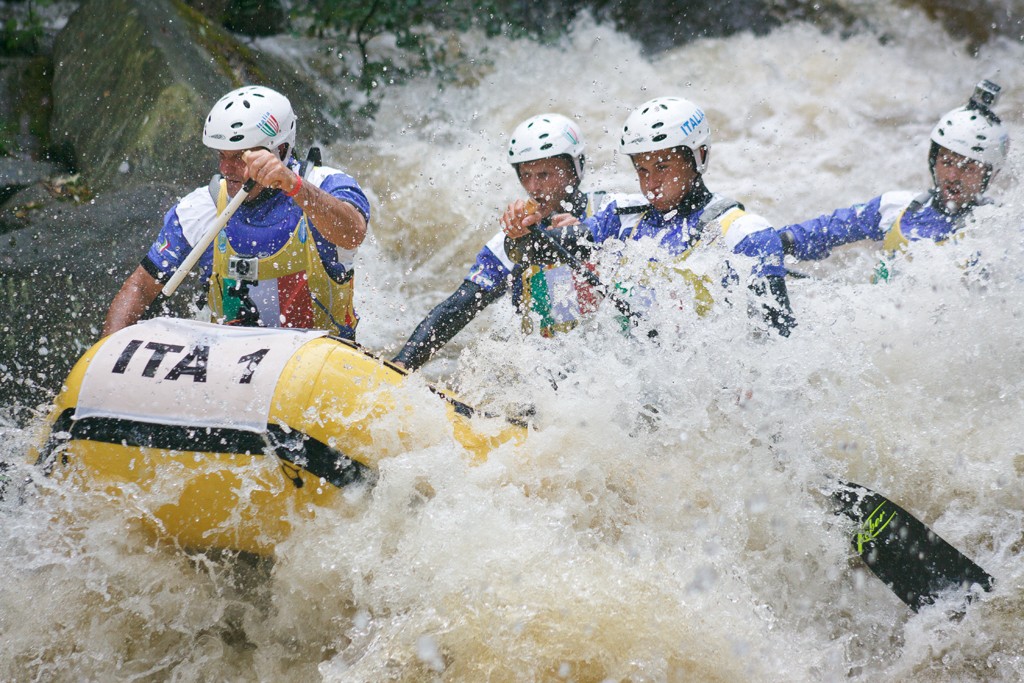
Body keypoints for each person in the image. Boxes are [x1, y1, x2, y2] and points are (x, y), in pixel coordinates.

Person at [501, 96, 795, 337]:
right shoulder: (621, 219)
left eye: (663, 167)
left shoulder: (743, 233)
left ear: (699, 156)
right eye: (642, 169)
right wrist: (521, 233)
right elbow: (531, 252)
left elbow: (778, 338)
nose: (650, 184)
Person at [102, 85, 370, 338]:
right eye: (222, 156)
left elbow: (353, 234)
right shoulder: (202, 207)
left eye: (239, 157)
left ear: (281, 150)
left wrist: (294, 186)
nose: (226, 169)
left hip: (319, 362)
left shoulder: (325, 186)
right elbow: (140, 288)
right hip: (230, 364)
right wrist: (106, 356)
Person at [392, 113, 613, 370]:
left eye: (544, 174)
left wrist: (586, 240)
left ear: (574, 172)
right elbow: (457, 309)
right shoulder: (513, 240)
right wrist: (403, 364)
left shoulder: (609, 212)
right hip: (546, 373)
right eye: (526, 175)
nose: (533, 188)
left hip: (607, 367)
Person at [777, 80, 1010, 280]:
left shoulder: (999, 232)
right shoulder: (897, 207)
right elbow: (829, 229)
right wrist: (782, 241)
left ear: (990, 175)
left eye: (968, 169)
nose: (953, 177)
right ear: (933, 161)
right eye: (947, 163)